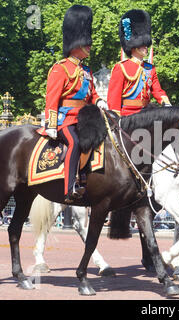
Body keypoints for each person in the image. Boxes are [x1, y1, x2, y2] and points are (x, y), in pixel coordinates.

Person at [44, 5, 108, 203]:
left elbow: (92, 95)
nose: (89, 46)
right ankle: (69, 186)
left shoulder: (86, 70)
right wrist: (51, 124)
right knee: (75, 142)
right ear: (76, 44)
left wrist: (100, 101)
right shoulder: (60, 69)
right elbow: (52, 98)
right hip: (65, 119)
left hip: (83, 119)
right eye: (86, 43)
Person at [107, 9, 171, 116]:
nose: (146, 47)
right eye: (143, 44)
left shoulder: (150, 68)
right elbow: (114, 97)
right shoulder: (122, 67)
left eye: (146, 44)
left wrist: (167, 103)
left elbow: (157, 91)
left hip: (147, 113)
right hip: (128, 115)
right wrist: (116, 118)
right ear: (133, 45)